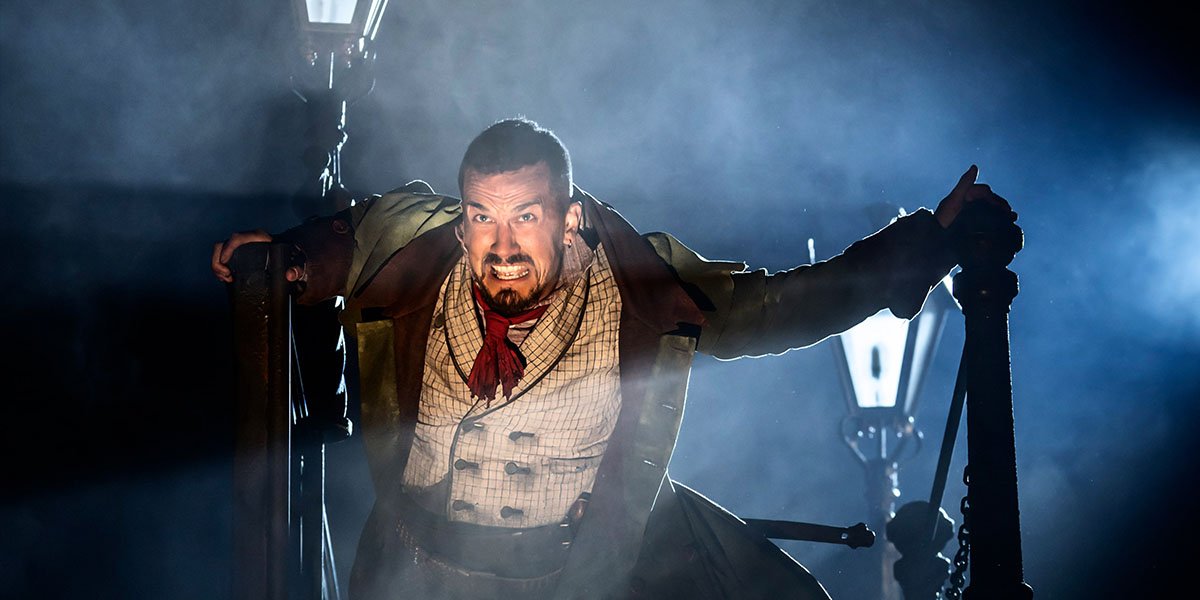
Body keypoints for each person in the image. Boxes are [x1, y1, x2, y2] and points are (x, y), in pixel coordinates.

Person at [212, 117, 1012, 599]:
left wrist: (926, 244)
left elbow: (775, 305)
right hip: (421, 571)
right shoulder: (414, 240)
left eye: (526, 217)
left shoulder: (636, 282)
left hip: (577, 578)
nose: (501, 245)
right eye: (483, 219)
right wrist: (285, 259)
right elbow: (346, 237)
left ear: (568, 221)